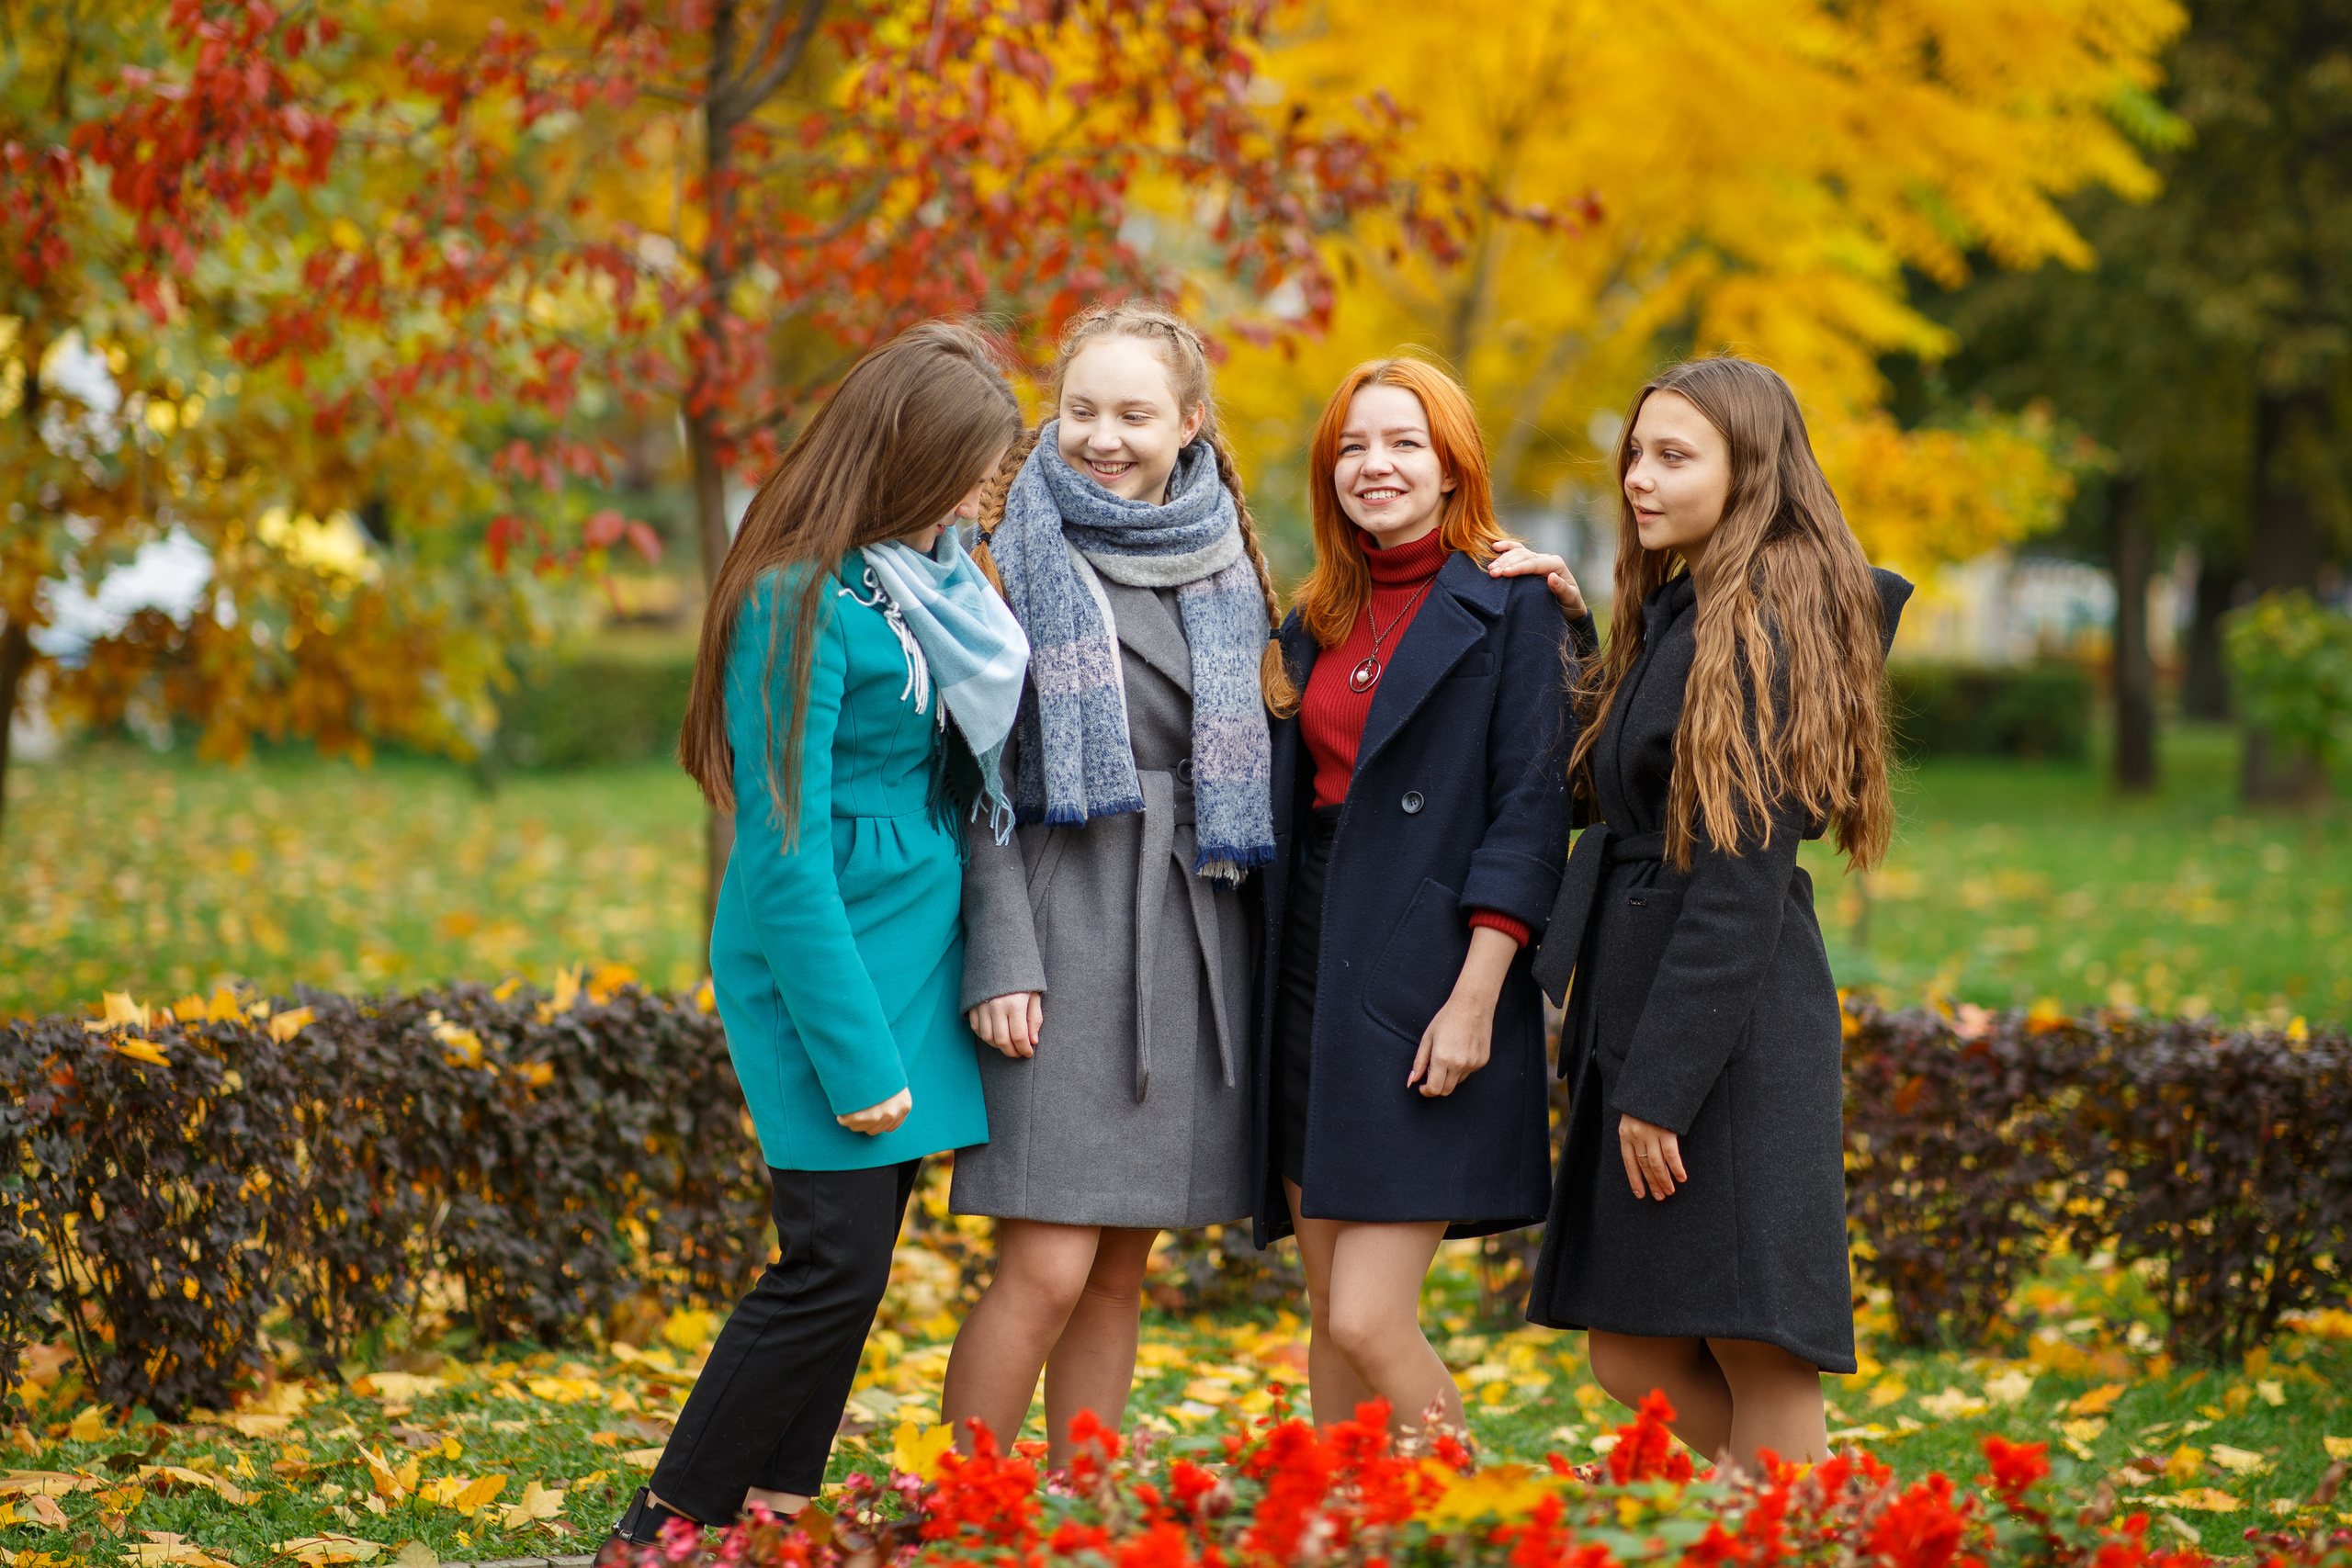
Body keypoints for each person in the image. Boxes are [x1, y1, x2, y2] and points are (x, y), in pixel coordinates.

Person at [602, 321, 1028, 1552]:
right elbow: (783, 859)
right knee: (826, 1263)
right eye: (967, 475)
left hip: (914, 949)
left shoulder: (927, 579)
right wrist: (857, 1058)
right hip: (823, 964)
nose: (979, 502)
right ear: (906, 460)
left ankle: (774, 1511)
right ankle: (660, 1526)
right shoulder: (795, 600)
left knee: (858, 1263)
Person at [1514, 355, 1911, 1472]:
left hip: (1725, 1033)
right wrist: (1573, 632)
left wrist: (1663, 1086)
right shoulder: (1691, 608)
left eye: (1673, 457)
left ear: (1751, 471)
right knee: (1631, 1349)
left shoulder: (1767, 623)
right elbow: (1611, 780)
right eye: (1635, 454)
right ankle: (1784, 1516)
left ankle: (1792, 1522)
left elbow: (1739, 885)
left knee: (1753, 1347)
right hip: (1652, 1007)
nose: (1638, 478)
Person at [942, 300, 1291, 1469]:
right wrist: (1000, 956)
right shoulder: (1006, 555)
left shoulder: (1231, 562)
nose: (1102, 437)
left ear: (1188, 423)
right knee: (1044, 1267)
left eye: (1134, 414)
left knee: (1116, 1273)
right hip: (1061, 925)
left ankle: (1078, 1500)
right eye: (1081, 409)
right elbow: (973, 778)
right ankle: (961, 1506)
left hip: (1190, 934)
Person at [1250, 357, 1582, 1438]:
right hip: (1309, 961)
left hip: (1431, 969)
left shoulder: (1515, 605)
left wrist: (1477, 998)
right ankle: (1347, 1514)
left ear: (1452, 467)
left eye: (1403, 443)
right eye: (1351, 447)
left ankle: (1473, 1505)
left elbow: (1531, 812)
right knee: (1326, 1309)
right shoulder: (1311, 618)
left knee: (1366, 1313)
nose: (1374, 465)